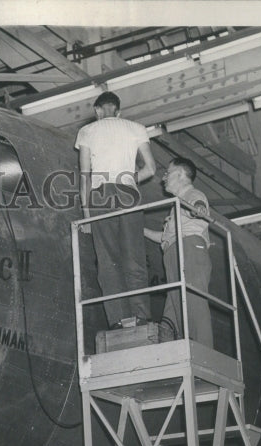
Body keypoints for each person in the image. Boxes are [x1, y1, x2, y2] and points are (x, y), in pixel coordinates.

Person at [75, 91, 157, 328]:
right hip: (128, 191)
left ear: (97, 111)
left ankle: (118, 320)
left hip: (101, 194)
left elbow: (85, 178)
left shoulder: (87, 132)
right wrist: (129, 178)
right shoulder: (136, 128)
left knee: (108, 259)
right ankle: (141, 315)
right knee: (134, 256)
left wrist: (87, 217)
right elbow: (151, 168)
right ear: (118, 112)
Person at [143, 157, 214, 348]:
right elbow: (165, 237)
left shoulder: (192, 194)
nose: (164, 177)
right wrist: (140, 231)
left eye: (168, 172)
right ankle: (176, 349)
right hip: (175, 251)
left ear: (181, 174)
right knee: (174, 307)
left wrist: (198, 209)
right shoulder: (178, 204)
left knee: (194, 302)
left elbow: (198, 205)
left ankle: (204, 352)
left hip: (189, 249)